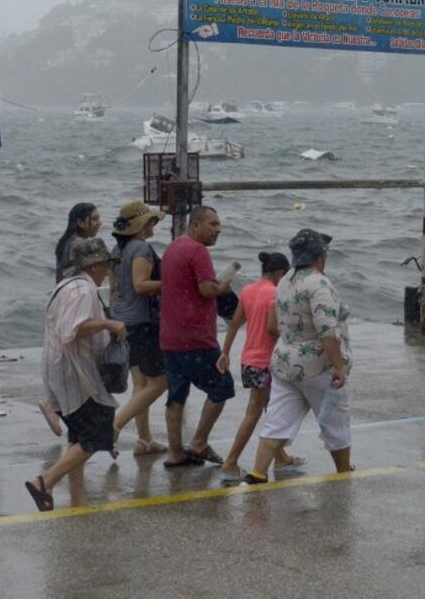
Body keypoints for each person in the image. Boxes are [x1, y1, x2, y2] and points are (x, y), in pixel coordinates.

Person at [243, 230, 354, 484]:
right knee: (334, 422)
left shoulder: (285, 281)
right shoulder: (319, 284)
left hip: (284, 363)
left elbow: (274, 325)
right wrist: (338, 366)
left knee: (277, 422)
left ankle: (257, 473)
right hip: (317, 367)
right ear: (320, 257)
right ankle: (344, 472)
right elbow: (327, 332)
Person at [24, 238, 127, 511]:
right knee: (97, 434)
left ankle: (77, 495)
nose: (108, 270)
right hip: (74, 370)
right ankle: (44, 482)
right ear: (94, 265)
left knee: (79, 432)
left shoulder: (65, 285)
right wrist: (108, 323)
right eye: (105, 264)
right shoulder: (83, 290)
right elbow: (74, 328)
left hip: (58, 365)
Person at [216, 252, 305, 482]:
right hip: (266, 363)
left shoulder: (247, 290)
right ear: (280, 273)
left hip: (248, 360)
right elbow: (272, 329)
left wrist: (225, 352)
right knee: (255, 410)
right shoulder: (275, 293)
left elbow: (235, 324)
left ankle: (281, 456)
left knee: (271, 408)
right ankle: (230, 462)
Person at [159, 205, 235, 468]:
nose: (218, 230)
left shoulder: (172, 248)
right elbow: (205, 290)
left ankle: (174, 451)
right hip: (195, 338)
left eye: (219, 224)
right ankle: (199, 442)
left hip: (170, 336)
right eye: (212, 224)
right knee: (222, 386)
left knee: (176, 394)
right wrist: (222, 288)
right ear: (195, 225)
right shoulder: (197, 250)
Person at [109, 201, 168, 456]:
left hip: (122, 321)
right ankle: (115, 425)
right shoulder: (141, 248)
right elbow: (141, 285)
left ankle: (144, 440)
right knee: (160, 382)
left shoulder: (117, 248)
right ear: (143, 224)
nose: (154, 225)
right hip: (142, 323)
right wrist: (172, 283)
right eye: (152, 221)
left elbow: (114, 289)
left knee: (141, 383)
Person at [39, 202, 102, 436]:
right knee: (73, 366)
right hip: (73, 307)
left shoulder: (66, 242)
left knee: (61, 361)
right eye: (94, 219)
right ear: (80, 221)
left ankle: (53, 405)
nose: (98, 223)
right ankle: (76, 427)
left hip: (59, 303)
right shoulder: (81, 245)